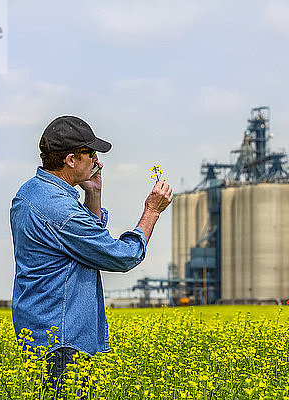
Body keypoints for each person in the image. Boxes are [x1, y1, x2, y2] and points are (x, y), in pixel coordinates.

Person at [10, 115, 173, 393]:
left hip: (40, 331)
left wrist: (94, 195)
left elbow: (83, 246)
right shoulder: (61, 210)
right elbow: (122, 256)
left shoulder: (29, 193)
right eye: (90, 153)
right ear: (71, 160)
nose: (96, 160)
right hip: (63, 337)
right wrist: (152, 212)